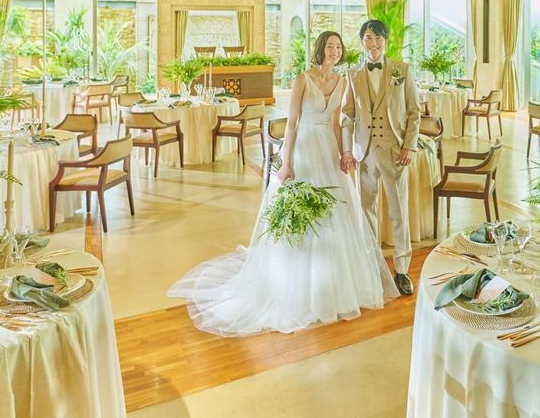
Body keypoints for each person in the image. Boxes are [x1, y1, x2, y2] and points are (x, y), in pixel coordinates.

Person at [168, 31, 397, 336]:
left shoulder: (342, 81)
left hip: (329, 150)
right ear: (321, 49)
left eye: (338, 47)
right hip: (304, 149)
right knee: (304, 214)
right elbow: (292, 123)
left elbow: (336, 122)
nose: (334, 51)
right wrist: (286, 162)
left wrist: (344, 152)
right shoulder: (303, 79)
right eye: (330, 46)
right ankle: (295, 286)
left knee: (335, 214)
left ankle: (333, 287)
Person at [340, 19, 420, 296]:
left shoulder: (402, 70)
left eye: (377, 39)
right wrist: (348, 150)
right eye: (368, 38)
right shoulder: (353, 74)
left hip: (394, 151)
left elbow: (414, 113)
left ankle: (402, 270)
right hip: (364, 153)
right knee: (366, 210)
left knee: (399, 212)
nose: (373, 44)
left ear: (385, 41)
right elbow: (347, 115)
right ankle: (373, 265)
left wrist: (409, 146)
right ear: (362, 42)